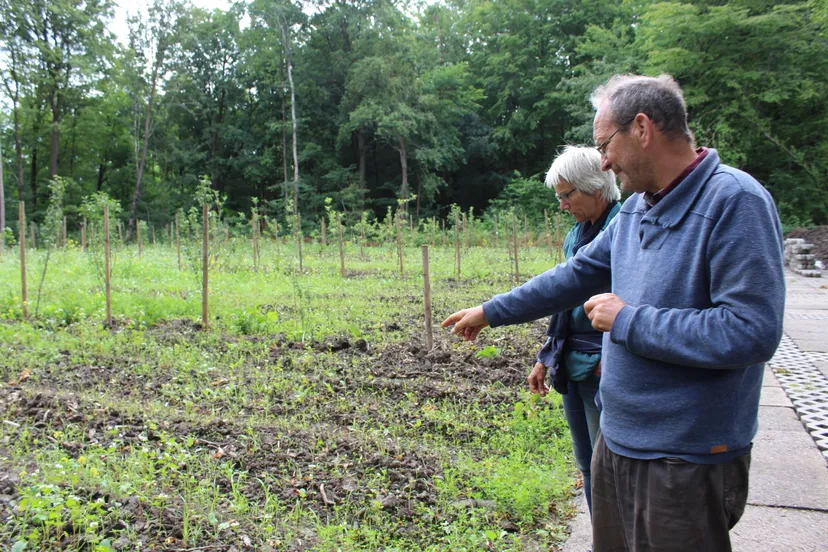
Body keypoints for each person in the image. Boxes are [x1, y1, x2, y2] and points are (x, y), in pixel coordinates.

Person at [442, 74, 785, 552]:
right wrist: (491, 311)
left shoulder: (734, 201)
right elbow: (575, 275)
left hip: (684, 454)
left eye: (605, 145)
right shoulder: (636, 209)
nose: (603, 161)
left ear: (642, 129)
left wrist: (628, 320)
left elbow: (751, 331)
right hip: (618, 438)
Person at [530, 146, 621, 518]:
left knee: (610, 468)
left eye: (567, 195)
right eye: (559, 197)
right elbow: (563, 301)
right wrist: (546, 356)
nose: (562, 205)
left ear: (596, 187)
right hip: (570, 362)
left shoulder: (623, 227)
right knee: (586, 463)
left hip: (603, 368)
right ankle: (603, 539)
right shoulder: (575, 235)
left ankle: (621, 540)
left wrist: (611, 357)